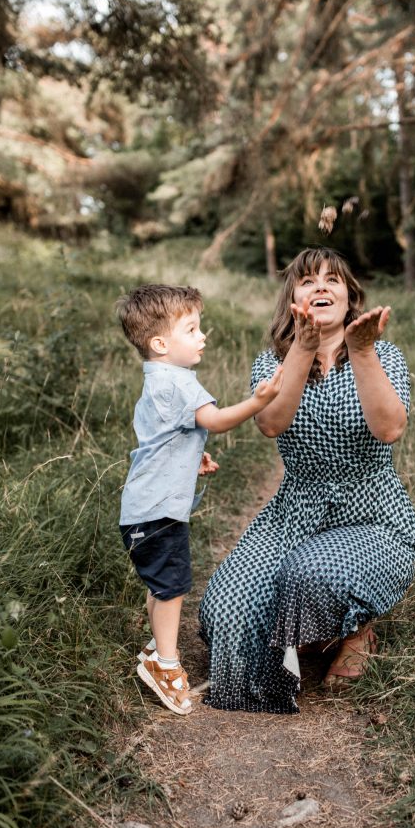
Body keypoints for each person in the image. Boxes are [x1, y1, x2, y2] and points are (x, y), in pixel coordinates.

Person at [198, 247, 415, 714]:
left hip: (372, 516)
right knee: (226, 608)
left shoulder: (383, 355)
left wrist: (361, 351)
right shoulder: (271, 362)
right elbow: (271, 424)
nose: (320, 285)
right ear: (293, 299)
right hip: (295, 513)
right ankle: (305, 629)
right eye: (308, 280)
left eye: (332, 279)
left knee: (310, 573)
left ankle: (356, 631)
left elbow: (389, 429)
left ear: (349, 297)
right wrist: (303, 349)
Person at [116, 284, 282, 716]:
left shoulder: (157, 381)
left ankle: (158, 647)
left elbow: (161, 439)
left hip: (142, 510)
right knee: (172, 588)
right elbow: (217, 420)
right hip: (159, 512)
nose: (202, 335)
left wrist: (191, 458)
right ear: (160, 344)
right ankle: (166, 664)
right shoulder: (179, 383)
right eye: (191, 329)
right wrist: (257, 402)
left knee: (161, 585)